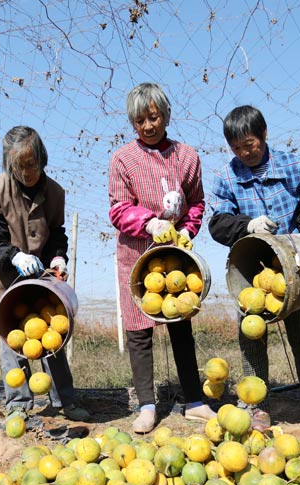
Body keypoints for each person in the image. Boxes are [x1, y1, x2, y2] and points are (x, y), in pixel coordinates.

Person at [208, 105, 300, 433]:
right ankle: (256, 407)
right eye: (236, 148)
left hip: (294, 269)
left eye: (249, 145)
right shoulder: (227, 177)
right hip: (252, 272)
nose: (244, 153)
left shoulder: (292, 165)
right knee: (252, 338)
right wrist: (247, 225)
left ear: (264, 135)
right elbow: (217, 224)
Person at [108, 82, 217, 434]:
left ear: (166, 116)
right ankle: (146, 406)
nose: (148, 126)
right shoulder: (123, 159)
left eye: (153, 117)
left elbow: (197, 201)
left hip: (176, 258)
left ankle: (195, 401)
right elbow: (118, 209)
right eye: (140, 120)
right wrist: (149, 222)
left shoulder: (187, 157)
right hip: (137, 255)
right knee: (139, 332)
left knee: (180, 323)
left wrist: (187, 230)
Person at [0, 125, 90, 421]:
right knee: (14, 343)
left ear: (42, 158)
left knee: (52, 338)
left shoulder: (55, 193)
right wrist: (14, 256)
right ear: (8, 164)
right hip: (4, 283)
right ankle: (17, 404)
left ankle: (65, 401)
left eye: (32, 164)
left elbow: (56, 234)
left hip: (41, 284)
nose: (27, 172)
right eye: (19, 166)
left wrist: (58, 257)